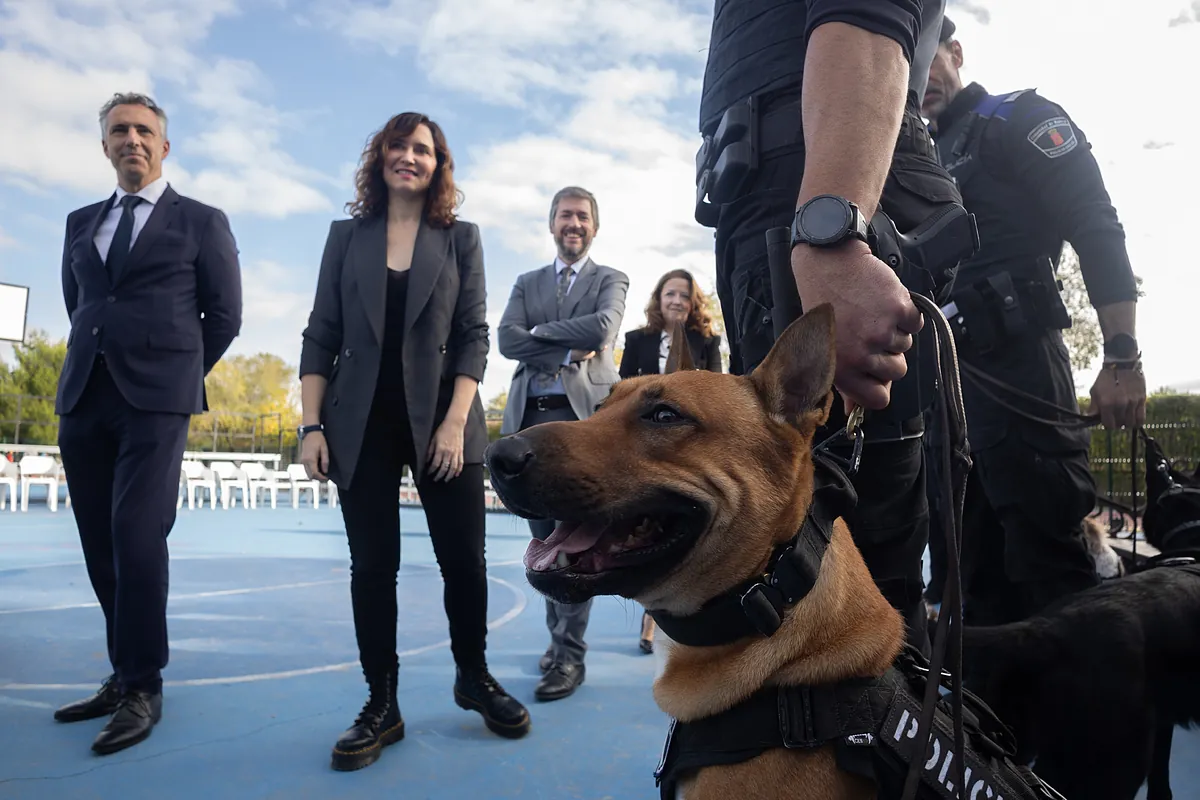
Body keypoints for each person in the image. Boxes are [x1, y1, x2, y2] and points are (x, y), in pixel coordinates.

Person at [697, 0, 963, 653]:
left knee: (858, 576)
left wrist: (833, 234)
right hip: (774, 204)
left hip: (819, 198)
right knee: (806, 568)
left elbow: (869, 16)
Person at [298, 111, 530, 771]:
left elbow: (473, 336)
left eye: (422, 149)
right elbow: (321, 333)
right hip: (358, 423)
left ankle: (473, 677)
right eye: (398, 145)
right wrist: (310, 426)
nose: (410, 156)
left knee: (465, 563)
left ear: (438, 164)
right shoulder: (346, 237)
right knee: (373, 569)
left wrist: (457, 422)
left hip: (444, 421)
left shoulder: (462, 239)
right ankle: (382, 703)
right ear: (380, 157)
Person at [923, 18, 1146, 625]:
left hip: (1019, 371)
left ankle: (1081, 719)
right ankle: (988, 722)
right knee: (967, 580)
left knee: (1049, 571)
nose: (920, 78)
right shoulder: (918, 155)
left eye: (926, 53)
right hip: (943, 389)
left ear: (955, 51)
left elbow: (1095, 224)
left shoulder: (1017, 118)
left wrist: (1121, 357)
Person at [51, 92, 243, 754]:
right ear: (104, 146)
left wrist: (174, 372)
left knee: (136, 537)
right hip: (83, 401)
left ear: (164, 146)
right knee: (100, 544)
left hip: (155, 403)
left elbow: (224, 317)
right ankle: (122, 672)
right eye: (118, 130)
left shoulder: (202, 221)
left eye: (143, 130)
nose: (131, 139)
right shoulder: (80, 222)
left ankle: (143, 687)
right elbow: (81, 302)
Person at [497, 186, 629, 701]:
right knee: (545, 545)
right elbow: (507, 339)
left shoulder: (611, 279)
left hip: (583, 426)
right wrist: (562, 345)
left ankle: (569, 657)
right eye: (564, 216)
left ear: (594, 226)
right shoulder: (526, 282)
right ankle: (559, 642)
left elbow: (604, 328)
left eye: (581, 216)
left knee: (575, 548)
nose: (572, 223)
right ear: (552, 224)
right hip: (528, 424)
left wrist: (540, 332)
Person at [618, 268, 724, 653]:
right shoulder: (636, 340)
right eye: (670, 294)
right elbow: (622, 394)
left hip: (681, 450)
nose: (677, 301)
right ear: (658, 299)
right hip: (636, 447)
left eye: (684, 295)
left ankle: (654, 622)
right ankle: (653, 612)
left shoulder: (707, 341)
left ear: (693, 302)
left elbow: (716, 392)